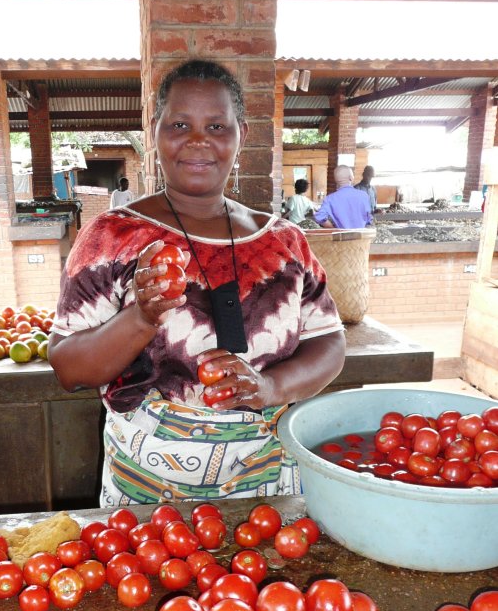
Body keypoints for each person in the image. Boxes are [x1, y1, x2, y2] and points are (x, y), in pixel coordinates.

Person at [48, 59, 345, 507]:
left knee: (266, 574)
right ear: (156, 131)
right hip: (148, 488)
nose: (198, 140)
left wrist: (270, 389)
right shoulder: (112, 237)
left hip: (267, 476)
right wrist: (143, 316)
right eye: (180, 123)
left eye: (217, 126)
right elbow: (69, 368)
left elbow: (330, 344)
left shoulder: (284, 241)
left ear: (240, 136)